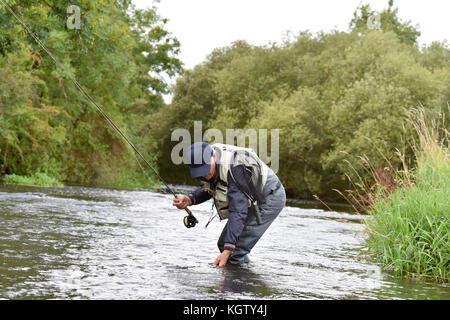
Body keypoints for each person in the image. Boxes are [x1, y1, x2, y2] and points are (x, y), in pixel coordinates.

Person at [172, 142, 286, 267]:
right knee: (224, 245)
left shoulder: (235, 167)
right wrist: (190, 199)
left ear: (213, 157)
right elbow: (209, 187)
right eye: (199, 172)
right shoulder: (207, 162)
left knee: (233, 250)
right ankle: (245, 276)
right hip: (252, 198)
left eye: (205, 169)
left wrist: (228, 249)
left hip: (270, 196)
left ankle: (237, 284)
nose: (204, 175)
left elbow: (238, 210)